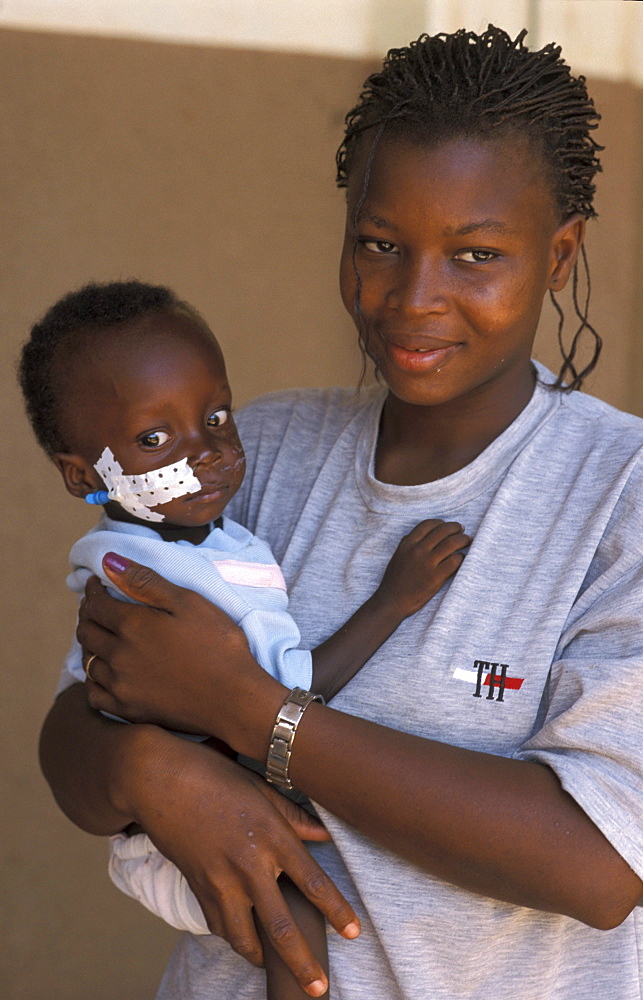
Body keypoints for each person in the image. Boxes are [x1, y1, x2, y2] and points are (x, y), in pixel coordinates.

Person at [38, 24, 643, 1000]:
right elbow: (75, 741)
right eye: (378, 243)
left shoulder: (620, 495)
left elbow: (599, 863)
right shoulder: (244, 455)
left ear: (559, 256)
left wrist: (252, 711)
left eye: (475, 254)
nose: (414, 297)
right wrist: (154, 771)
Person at [19, 279, 468, 1000]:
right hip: (172, 839)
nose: (210, 452)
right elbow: (284, 698)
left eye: (217, 415)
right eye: (154, 439)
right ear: (85, 475)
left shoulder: (189, 544)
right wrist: (394, 601)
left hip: (197, 805)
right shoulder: (156, 580)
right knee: (292, 905)